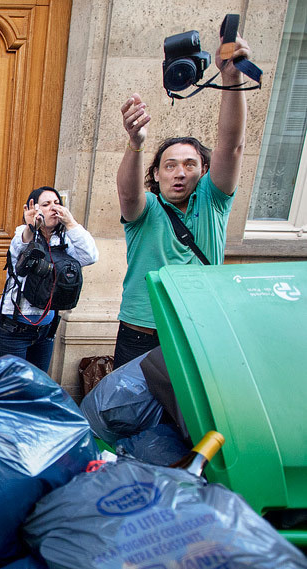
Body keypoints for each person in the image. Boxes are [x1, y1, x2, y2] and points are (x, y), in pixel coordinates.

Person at [114, 24, 252, 368]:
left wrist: (232, 79)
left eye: (190, 165)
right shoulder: (147, 210)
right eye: (170, 165)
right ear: (156, 174)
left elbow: (231, 144)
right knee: (129, 421)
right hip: (141, 333)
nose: (179, 172)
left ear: (203, 171)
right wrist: (135, 143)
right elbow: (128, 193)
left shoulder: (213, 201)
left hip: (199, 329)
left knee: (191, 421)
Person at [0, 187, 98, 372]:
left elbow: (90, 256)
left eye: (57, 203)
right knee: (11, 390)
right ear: (35, 209)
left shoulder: (66, 239)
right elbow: (20, 248)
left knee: (36, 390)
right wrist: (31, 227)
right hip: (14, 329)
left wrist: (71, 223)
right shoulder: (22, 232)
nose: (53, 208)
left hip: (45, 331)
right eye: (46, 204)